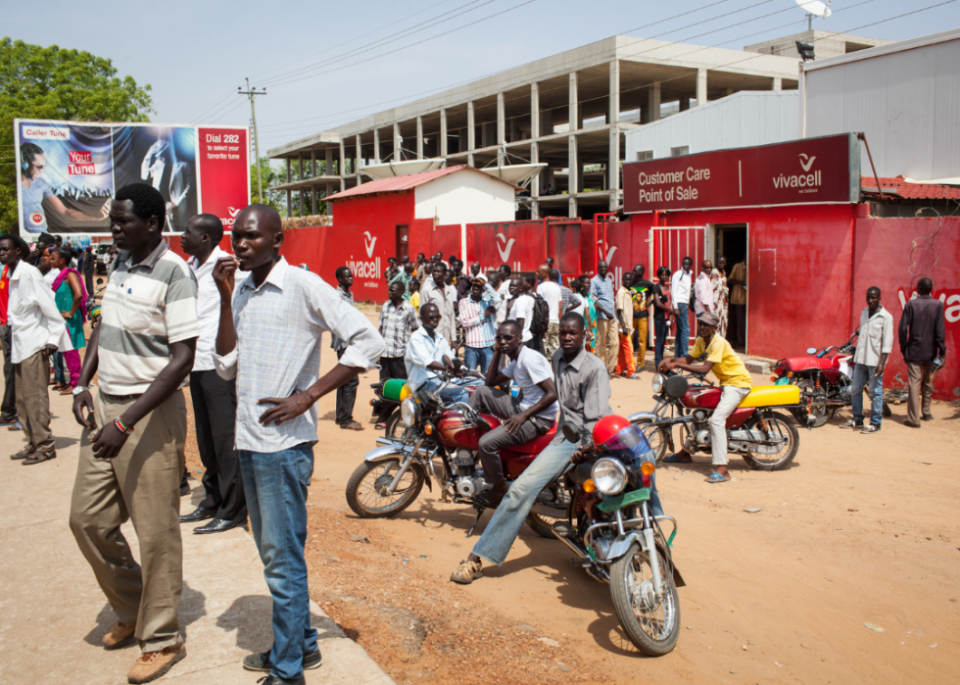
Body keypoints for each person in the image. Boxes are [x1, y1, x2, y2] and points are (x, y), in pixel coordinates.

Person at [211, 204, 384, 685]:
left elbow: (368, 340)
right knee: (277, 554)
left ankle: (288, 673)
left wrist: (307, 396)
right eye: (236, 237)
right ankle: (302, 645)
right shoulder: (241, 288)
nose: (240, 245)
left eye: (251, 237)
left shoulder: (302, 286)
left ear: (278, 240)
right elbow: (225, 365)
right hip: (251, 439)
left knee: (282, 561)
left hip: (283, 447)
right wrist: (225, 298)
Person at [69, 183, 199, 683]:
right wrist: (83, 382)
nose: (114, 229)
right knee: (87, 520)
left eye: (122, 222)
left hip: (150, 415)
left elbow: (182, 359)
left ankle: (162, 636)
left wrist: (125, 423)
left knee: (156, 531)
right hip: (106, 406)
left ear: (151, 223)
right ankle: (133, 606)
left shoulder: (175, 274)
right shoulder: (121, 263)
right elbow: (104, 326)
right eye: (113, 221)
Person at [449, 312, 611, 584]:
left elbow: (594, 419)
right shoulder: (558, 357)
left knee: (632, 473)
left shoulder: (595, 368)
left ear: (586, 335)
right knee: (521, 490)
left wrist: (589, 446)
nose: (568, 337)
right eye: (564, 333)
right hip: (566, 438)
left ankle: (653, 547)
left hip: (593, 437)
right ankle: (477, 559)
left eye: (574, 333)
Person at [179, 213, 247, 534]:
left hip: (219, 366)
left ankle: (233, 509)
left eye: (187, 231)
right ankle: (213, 499)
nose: (181, 235)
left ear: (205, 237)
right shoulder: (191, 267)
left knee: (224, 440)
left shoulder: (226, 265)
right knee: (206, 439)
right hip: (196, 364)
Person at [466, 319, 558, 507]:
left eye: (508, 338)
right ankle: (464, 441)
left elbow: (553, 393)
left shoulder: (529, 359)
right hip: (522, 406)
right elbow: (490, 383)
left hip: (537, 419)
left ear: (519, 338)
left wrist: (523, 416)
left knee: (487, 443)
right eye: (499, 338)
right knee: (481, 392)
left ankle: (498, 487)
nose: (503, 341)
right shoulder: (516, 359)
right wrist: (497, 352)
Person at [659, 312, 752, 483]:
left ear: (714, 328)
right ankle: (685, 453)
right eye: (700, 324)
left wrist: (677, 364)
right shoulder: (702, 340)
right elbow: (688, 359)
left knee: (716, 420)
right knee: (699, 412)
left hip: (738, 384)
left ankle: (723, 469)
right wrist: (670, 359)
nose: (701, 328)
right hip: (726, 382)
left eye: (705, 325)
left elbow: (704, 369)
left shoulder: (718, 343)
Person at [0, 233, 62, 464]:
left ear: (19, 251)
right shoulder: (10, 274)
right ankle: (32, 442)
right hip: (19, 345)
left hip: (35, 345)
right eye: (0, 249)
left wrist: (52, 339)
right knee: (22, 400)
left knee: (35, 399)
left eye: (6, 249)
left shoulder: (29, 274)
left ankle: (45, 446)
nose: (2, 253)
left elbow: (51, 310)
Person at [19, 142, 109, 233]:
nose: (41, 171)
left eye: (43, 167)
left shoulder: (41, 183)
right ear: (25, 164)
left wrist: (96, 217)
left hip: (42, 235)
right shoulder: (15, 185)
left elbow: (66, 212)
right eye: (39, 167)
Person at [841, 287, 894, 434]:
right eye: (868, 297)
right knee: (856, 389)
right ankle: (857, 419)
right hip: (860, 360)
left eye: (874, 298)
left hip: (875, 361)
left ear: (879, 299)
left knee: (876, 392)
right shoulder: (864, 313)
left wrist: (882, 364)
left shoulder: (886, 318)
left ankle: (875, 423)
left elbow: (887, 344)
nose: (870, 300)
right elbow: (864, 334)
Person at [899, 278, 946, 428]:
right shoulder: (938, 305)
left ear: (918, 288)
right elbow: (940, 331)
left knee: (914, 383)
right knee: (927, 381)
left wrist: (904, 346)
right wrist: (942, 351)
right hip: (930, 351)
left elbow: (902, 329)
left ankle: (913, 419)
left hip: (914, 350)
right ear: (931, 289)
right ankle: (926, 412)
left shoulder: (911, 304)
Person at [405, 303, 469, 405]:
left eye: (437, 316)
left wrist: (463, 369)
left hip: (441, 379)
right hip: (423, 383)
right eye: (431, 316)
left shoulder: (440, 338)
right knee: (462, 393)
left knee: (478, 384)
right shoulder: (416, 338)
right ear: (421, 318)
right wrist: (451, 369)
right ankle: (455, 420)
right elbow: (429, 363)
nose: (435, 319)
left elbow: (451, 357)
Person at [377, 280, 419, 428]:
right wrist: (376, 352)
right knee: (385, 387)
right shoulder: (385, 307)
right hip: (384, 355)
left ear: (401, 292)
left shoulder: (409, 309)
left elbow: (416, 329)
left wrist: (412, 349)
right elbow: (380, 329)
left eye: (392, 291)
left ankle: (394, 417)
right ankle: (384, 418)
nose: (389, 293)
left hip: (400, 356)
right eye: (389, 290)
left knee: (400, 389)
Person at [48, 245, 89, 392]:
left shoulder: (69, 274)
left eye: (53, 259)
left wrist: (70, 313)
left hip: (69, 319)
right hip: (62, 319)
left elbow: (78, 294)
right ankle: (73, 381)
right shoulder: (60, 274)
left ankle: (76, 384)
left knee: (71, 352)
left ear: (62, 260)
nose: (50, 261)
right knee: (66, 350)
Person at [331, 266, 363, 431]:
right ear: (339, 279)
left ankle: (340, 416)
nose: (351, 278)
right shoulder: (337, 296)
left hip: (349, 342)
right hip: (343, 342)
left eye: (351, 276)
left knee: (344, 380)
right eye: (347, 276)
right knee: (351, 380)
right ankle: (346, 419)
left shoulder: (348, 295)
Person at [459, 279, 498, 374]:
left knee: (488, 376)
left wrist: (485, 284)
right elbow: (464, 323)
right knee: (469, 377)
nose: (476, 287)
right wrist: (483, 316)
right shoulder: (464, 302)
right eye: (474, 285)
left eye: (479, 285)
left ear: (483, 289)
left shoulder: (488, 301)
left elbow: (498, 299)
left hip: (488, 346)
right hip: (471, 346)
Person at [589, 260, 617, 374]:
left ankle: (610, 369)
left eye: (605, 267)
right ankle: (601, 370)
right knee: (601, 343)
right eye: (601, 267)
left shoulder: (609, 280)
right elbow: (594, 299)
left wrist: (612, 314)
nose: (603, 269)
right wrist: (605, 311)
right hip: (602, 315)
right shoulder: (594, 281)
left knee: (615, 343)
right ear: (598, 268)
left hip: (612, 316)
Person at [420, 261, 457, 347]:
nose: (435, 273)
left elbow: (451, 315)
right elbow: (421, 315)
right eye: (434, 271)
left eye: (438, 271)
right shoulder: (426, 290)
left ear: (444, 274)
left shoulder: (449, 290)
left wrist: (453, 338)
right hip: (432, 337)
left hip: (446, 337)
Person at [0, 250, 18, 428]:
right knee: (10, 370)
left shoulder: (17, 271)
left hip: (11, 326)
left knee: (11, 370)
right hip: (5, 325)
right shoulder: (5, 269)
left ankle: (9, 411)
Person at [630, 264, 654, 372]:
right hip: (631, 316)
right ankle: (629, 363)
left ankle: (640, 363)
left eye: (636, 270)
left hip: (643, 317)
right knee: (628, 340)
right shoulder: (630, 283)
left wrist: (649, 303)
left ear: (641, 272)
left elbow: (656, 293)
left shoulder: (648, 284)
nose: (633, 272)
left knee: (642, 340)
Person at [652, 266, 677, 369]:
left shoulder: (667, 288)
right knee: (659, 340)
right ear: (659, 275)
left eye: (666, 274)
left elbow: (670, 302)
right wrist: (671, 311)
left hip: (667, 317)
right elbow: (658, 303)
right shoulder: (656, 287)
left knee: (663, 340)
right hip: (659, 317)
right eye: (662, 274)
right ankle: (658, 362)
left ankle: (661, 360)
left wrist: (670, 315)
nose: (664, 276)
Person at [536, 264, 563, 358]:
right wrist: (561, 323)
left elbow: (540, 307)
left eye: (538, 271)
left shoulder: (541, 287)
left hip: (545, 324)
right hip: (556, 322)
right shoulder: (557, 288)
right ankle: (554, 372)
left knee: (543, 352)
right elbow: (560, 307)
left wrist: (540, 325)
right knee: (554, 352)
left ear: (545, 273)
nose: (536, 273)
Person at [614, 272, 637, 379]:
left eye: (630, 280)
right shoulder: (621, 292)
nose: (628, 281)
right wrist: (623, 327)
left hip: (627, 326)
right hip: (623, 327)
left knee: (622, 350)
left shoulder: (628, 292)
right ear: (622, 279)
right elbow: (619, 310)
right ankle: (630, 371)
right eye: (626, 279)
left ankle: (619, 370)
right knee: (629, 348)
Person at [671, 256, 694, 357]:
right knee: (685, 330)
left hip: (685, 304)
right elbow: (673, 290)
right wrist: (675, 307)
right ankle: (684, 355)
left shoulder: (689, 275)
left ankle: (677, 355)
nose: (685, 265)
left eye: (687, 264)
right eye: (684, 263)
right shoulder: (678, 274)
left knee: (680, 331)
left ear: (690, 265)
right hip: (680, 304)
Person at [508, 275, 537, 352]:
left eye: (514, 286)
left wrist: (516, 340)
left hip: (520, 340)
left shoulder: (520, 302)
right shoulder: (521, 299)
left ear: (520, 288)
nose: (511, 288)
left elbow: (520, 322)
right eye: (510, 286)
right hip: (523, 338)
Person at [728, 259, 747, 350]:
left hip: (748, 300)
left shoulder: (751, 267)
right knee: (740, 322)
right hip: (739, 299)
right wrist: (740, 282)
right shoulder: (737, 267)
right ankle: (740, 343)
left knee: (746, 323)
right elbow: (729, 280)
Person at [711, 257, 729, 338]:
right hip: (716, 301)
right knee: (716, 322)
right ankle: (715, 341)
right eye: (720, 262)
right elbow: (712, 287)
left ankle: (721, 341)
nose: (721, 264)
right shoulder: (714, 272)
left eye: (723, 262)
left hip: (724, 301)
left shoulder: (724, 272)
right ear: (717, 263)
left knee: (724, 321)